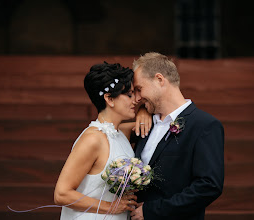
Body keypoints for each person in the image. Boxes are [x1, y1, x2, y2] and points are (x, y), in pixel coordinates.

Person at [130, 52, 225, 220]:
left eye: (139, 89)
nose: (136, 98)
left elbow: (208, 186)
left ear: (159, 80)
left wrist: (153, 211)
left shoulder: (204, 125)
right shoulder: (145, 124)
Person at [54, 62, 151, 220]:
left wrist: (144, 111)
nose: (136, 100)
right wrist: (111, 207)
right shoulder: (92, 139)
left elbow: (154, 122)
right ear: (109, 99)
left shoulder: (121, 132)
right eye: (129, 95)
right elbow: (61, 194)